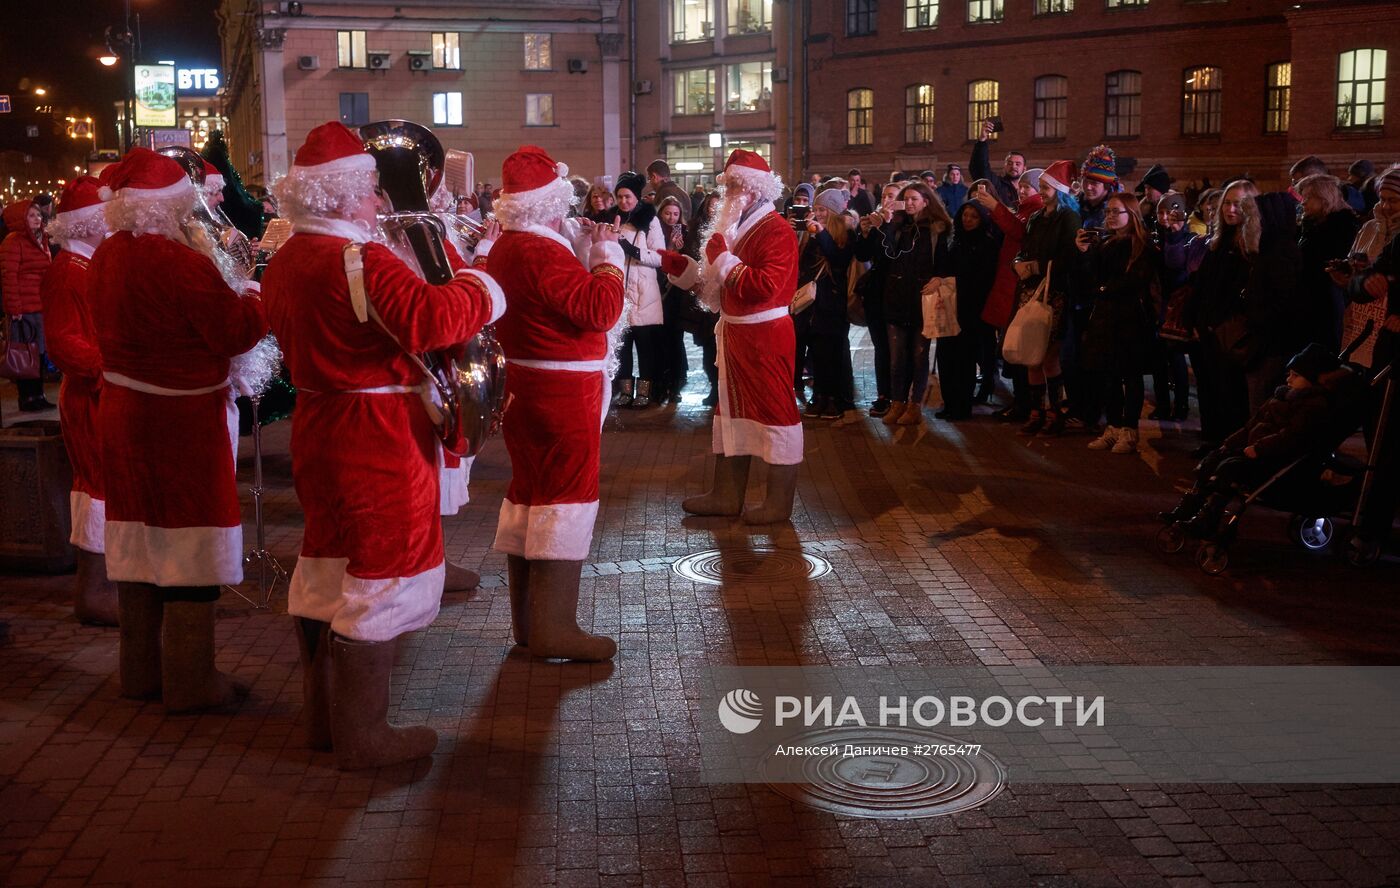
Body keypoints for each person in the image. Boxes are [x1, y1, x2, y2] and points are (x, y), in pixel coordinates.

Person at [261, 122, 502, 767]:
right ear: (341, 197)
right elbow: (433, 321)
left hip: (319, 423)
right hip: (377, 436)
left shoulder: (284, 260)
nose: (379, 204)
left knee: (328, 567)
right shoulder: (357, 260)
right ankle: (365, 739)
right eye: (370, 192)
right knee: (382, 572)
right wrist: (481, 285)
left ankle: (325, 721)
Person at [88, 148, 268, 713]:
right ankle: (192, 681)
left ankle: (139, 672)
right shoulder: (178, 262)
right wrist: (254, 293)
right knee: (190, 542)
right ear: (166, 208)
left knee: (139, 541)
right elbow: (233, 331)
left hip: (123, 414)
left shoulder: (105, 257)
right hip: (181, 422)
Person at [485, 145, 629, 661]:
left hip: (528, 386)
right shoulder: (541, 252)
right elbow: (598, 309)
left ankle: (529, 623)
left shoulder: (509, 245)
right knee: (564, 499)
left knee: (530, 496)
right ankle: (554, 627)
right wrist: (608, 259)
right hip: (561, 391)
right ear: (548, 203)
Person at [684, 149, 801, 523]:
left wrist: (723, 260)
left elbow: (764, 286)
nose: (727, 193)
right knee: (731, 411)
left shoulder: (777, 231)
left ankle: (778, 503)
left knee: (775, 413)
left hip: (765, 336)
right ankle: (726, 494)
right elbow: (716, 286)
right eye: (727, 185)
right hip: (736, 335)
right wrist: (683, 270)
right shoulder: (735, 228)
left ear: (754, 190)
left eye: (735, 186)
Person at [40, 177, 116, 625]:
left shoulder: (85, 266)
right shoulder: (68, 270)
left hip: (100, 389)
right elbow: (64, 343)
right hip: (90, 394)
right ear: (87, 223)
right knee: (96, 483)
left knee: (105, 482)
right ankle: (93, 591)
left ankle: (105, 585)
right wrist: (110, 366)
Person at [1077, 194, 1159, 453]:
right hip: (1105, 318)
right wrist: (1084, 253)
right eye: (1109, 211)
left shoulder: (1142, 246)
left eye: (1117, 212)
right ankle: (1112, 427)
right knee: (1109, 374)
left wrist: (1102, 289)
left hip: (1131, 319)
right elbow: (1090, 279)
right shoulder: (1105, 244)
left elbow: (1135, 281)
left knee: (1130, 376)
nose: (1110, 216)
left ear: (1131, 215)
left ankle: (1129, 429)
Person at [866, 182, 953, 427]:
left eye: (915, 198)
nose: (911, 203)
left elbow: (946, 262)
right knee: (896, 358)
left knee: (919, 355)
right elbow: (886, 256)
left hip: (922, 300)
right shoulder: (898, 227)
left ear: (926, 201)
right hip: (896, 298)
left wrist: (939, 277)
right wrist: (883, 226)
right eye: (908, 199)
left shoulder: (938, 229)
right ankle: (897, 403)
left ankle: (915, 406)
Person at [1011, 160, 1082, 436]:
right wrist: (1017, 263)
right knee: (1032, 355)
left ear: (1059, 190)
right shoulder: (1036, 218)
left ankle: (1055, 413)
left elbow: (1069, 257)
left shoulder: (1069, 218)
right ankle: (1036, 411)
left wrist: (1039, 266)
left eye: (1046, 187)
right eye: (1040, 187)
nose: (1041, 192)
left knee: (1049, 356)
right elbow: (1024, 248)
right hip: (1031, 291)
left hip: (1055, 293)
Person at [975, 171, 1045, 421]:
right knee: (1012, 348)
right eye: (1022, 186)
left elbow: (1019, 231)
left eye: (1028, 186)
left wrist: (996, 207)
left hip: (1017, 288)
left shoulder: (1036, 209)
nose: (1022, 190)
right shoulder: (1025, 207)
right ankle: (1020, 401)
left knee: (1018, 349)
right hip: (1009, 286)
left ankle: (1025, 404)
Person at [940, 197, 1000, 420]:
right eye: (965, 215)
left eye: (974, 216)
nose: (968, 220)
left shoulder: (987, 243)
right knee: (946, 357)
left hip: (972, 310)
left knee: (964, 360)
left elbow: (983, 278)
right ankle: (949, 403)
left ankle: (962, 405)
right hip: (950, 306)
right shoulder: (955, 240)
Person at [799, 187, 857, 420]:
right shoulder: (813, 234)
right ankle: (820, 395)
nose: (818, 213)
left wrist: (821, 234)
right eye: (816, 209)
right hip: (814, 303)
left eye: (822, 209)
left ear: (832, 211)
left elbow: (839, 259)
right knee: (817, 351)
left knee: (835, 352)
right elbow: (804, 264)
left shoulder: (846, 233)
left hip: (834, 302)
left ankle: (836, 398)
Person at [611, 171, 666, 409]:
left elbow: (660, 257)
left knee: (645, 347)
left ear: (636, 197)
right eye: (620, 197)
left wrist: (632, 251)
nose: (624, 202)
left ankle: (645, 391)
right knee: (622, 347)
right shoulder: (613, 219)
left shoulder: (649, 220)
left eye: (628, 197)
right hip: (620, 292)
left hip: (644, 292)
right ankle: (624, 392)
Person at [1336, 166, 1400, 368]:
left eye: (1393, 200)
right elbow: (1368, 274)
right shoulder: (1373, 230)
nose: (1386, 206)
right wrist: (1361, 281)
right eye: (1383, 199)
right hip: (1369, 330)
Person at [1151, 192, 1204, 422]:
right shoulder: (1156, 238)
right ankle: (1162, 404)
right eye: (1161, 213)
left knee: (1175, 358)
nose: (1165, 218)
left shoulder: (1187, 238)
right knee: (1158, 360)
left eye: (1170, 213)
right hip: (1158, 304)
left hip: (1176, 307)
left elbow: (1176, 267)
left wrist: (1174, 237)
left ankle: (1181, 405)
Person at [1295, 173, 1361, 352]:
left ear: (1324, 199)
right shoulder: (1312, 225)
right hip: (1312, 300)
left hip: (1329, 301)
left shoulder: (1343, 227)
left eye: (1307, 198)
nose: (1302, 203)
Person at [2, 199, 53, 410]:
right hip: (24, 308)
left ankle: (38, 395)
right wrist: (15, 308)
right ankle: (27, 397)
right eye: (31, 215)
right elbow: (9, 276)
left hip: (40, 305)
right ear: (21, 219)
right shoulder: (14, 242)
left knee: (39, 353)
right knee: (25, 354)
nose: (37, 218)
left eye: (38, 215)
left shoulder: (41, 239)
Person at [684, 191, 721, 406]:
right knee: (708, 347)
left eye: (718, 207)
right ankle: (713, 387)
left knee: (720, 347)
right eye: (711, 207)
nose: (714, 211)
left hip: (722, 295)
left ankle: (721, 389)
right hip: (703, 298)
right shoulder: (696, 231)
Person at [656, 196, 691, 404]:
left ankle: (677, 381)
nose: (671, 217)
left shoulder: (684, 232)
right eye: (668, 213)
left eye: (675, 214)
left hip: (676, 293)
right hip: (658, 288)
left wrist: (680, 250)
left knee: (675, 337)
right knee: (660, 338)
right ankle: (663, 380)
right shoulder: (655, 231)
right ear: (661, 213)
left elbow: (688, 262)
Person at [970, 119, 1025, 209]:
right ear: (1004, 166)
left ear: (1024, 168)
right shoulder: (996, 184)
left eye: (1018, 164)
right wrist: (982, 140)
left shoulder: (1029, 189)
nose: (1013, 166)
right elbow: (981, 167)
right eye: (1010, 163)